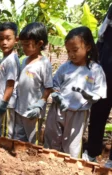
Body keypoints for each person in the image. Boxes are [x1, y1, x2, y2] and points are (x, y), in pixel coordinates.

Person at [44, 26, 107, 158]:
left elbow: (99, 92)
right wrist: (57, 96)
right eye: (68, 51)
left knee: (72, 146)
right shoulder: (65, 67)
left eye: (75, 50)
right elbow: (54, 85)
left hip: (78, 113)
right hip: (58, 110)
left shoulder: (95, 70)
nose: (71, 54)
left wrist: (91, 96)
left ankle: (69, 172)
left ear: (88, 47)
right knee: (52, 140)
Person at [82, 5, 112, 167]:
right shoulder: (108, 29)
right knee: (98, 114)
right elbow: (99, 45)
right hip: (105, 76)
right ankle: (92, 152)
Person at [13, 22, 53, 144]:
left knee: (31, 142)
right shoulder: (24, 60)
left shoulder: (44, 63)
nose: (23, 48)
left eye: (27, 45)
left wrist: (40, 103)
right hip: (20, 108)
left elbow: (48, 86)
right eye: (22, 45)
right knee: (18, 140)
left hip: (33, 112)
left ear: (39, 43)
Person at [0, 22, 20, 138]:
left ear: (16, 39)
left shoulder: (11, 61)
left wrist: (3, 104)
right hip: (2, 103)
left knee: (4, 136)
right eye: (1, 39)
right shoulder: (6, 58)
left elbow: (10, 85)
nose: (4, 42)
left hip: (6, 106)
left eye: (8, 39)